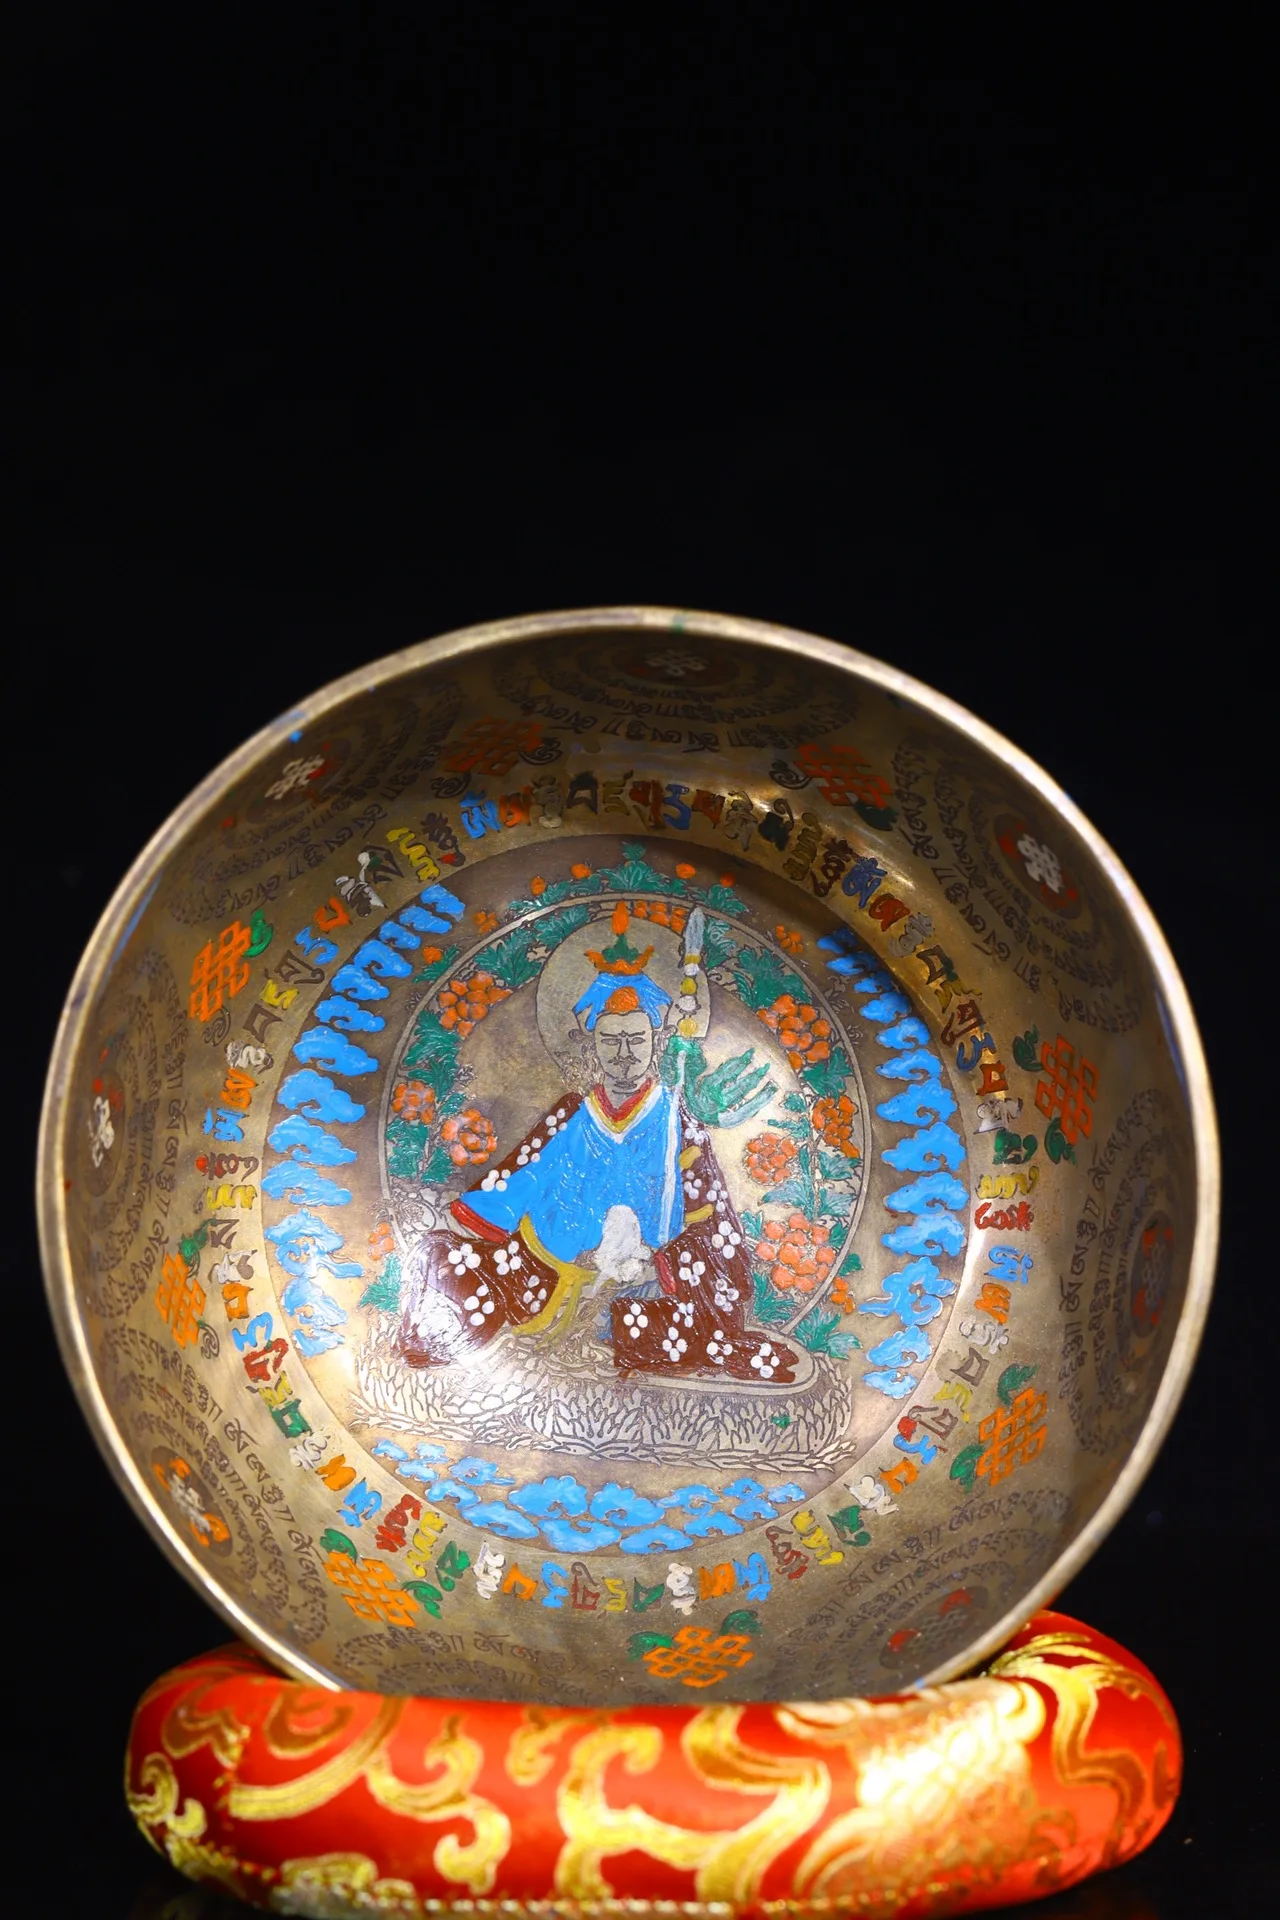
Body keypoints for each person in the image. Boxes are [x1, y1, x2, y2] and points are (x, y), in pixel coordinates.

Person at [397, 904, 797, 1383]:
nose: (624, 1055)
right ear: (590, 1043)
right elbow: (523, 1175)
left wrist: (658, 1262)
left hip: (640, 1286)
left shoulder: (679, 1121)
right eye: (611, 1041)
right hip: (541, 1272)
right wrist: (471, 1214)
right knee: (439, 1256)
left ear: (656, 1042)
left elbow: (712, 1221)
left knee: (674, 1324)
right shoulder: (572, 1111)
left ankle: (614, 1330)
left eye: (636, 1040)